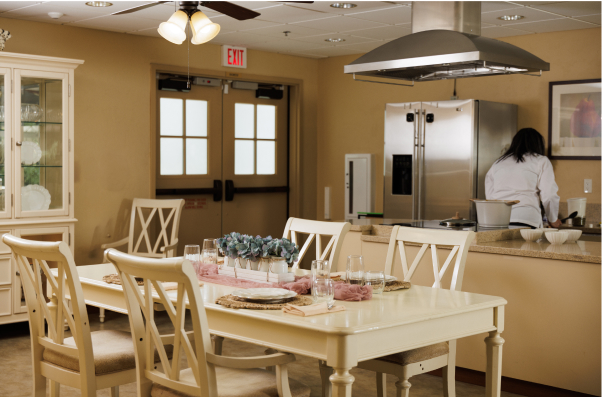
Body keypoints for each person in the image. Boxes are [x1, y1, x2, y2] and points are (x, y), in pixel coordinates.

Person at [485, 128, 560, 228]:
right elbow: (549, 194)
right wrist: (553, 219)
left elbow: (490, 196)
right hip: (526, 219)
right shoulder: (541, 161)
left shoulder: (498, 163)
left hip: (498, 220)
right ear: (537, 144)